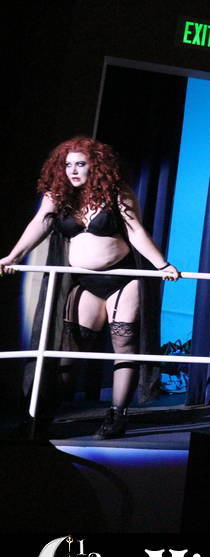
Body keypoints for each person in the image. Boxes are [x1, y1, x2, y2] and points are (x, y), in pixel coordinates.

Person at [0, 137, 179, 438]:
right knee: (69, 351)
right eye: (68, 164)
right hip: (86, 282)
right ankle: (42, 417)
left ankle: (117, 415)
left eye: (80, 164)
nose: (72, 170)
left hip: (123, 278)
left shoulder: (116, 192)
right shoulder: (58, 196)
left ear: (95, 166)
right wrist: (13, 256)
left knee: (124, 344)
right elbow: (39, 223)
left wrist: (162, 264)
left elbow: (135, 231)